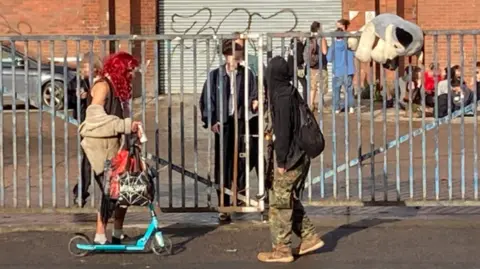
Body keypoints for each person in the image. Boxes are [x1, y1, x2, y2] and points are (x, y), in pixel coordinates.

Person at [257, 56, 323, 263]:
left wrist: (282, 162)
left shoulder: (282, 97)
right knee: (287, 198)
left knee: (279, 202)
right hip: (299, 155)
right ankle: (309, 237)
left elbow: (283, 133)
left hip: (292, 157)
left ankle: (281, 249)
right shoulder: (289, 92)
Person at [78, 51, 142, 245]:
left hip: (112, 147)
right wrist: (125, 125)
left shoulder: (116, 89)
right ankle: (99, 235)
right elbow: (95, 119)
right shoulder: (103, 87)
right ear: (120, 70)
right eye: (130, 71)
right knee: (111, 192)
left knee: (122, 191)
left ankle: (117, 232)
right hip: (99, 149)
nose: (132, 75)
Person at [199, 39, 258, 222]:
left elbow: (253, 94)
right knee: (223, 164)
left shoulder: (246, 74)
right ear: (226, 56)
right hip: (223, 123)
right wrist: (212, 120)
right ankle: (223, 204)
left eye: (239, 58)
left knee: (241, 160)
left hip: (240, 120)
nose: (237, 62)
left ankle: (239, 199)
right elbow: (207, 100)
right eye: (235, 58)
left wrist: (254, 103)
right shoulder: (215, 76)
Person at [72, 52, 103, 207]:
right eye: (83, 66)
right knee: (87, 160)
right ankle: (81, 192)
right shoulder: (78, 81)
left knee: (101, 162)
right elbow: (69, 97)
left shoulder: (101, 83)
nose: (84, 69)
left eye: (87, 66)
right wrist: (77, 97)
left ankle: (106, 191)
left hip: (100, 125)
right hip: (86, 124)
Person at [327, 28, 355, 114]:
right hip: (348, 71)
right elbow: (354, 54)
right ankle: (351, 108)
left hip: (338, 71)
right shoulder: (348, 45)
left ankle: (336, 108)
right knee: (349, 90)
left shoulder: (333, 46)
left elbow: (329, 58)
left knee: (336, 91)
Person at [303, 21, 328, 112]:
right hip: (321, 65)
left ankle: (311, 105)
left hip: (311, 65)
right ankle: (321, 106)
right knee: (321, 86)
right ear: (318, 29)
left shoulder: (309, 38)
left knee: (312, 87)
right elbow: (324, 51)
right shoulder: (320, 38)